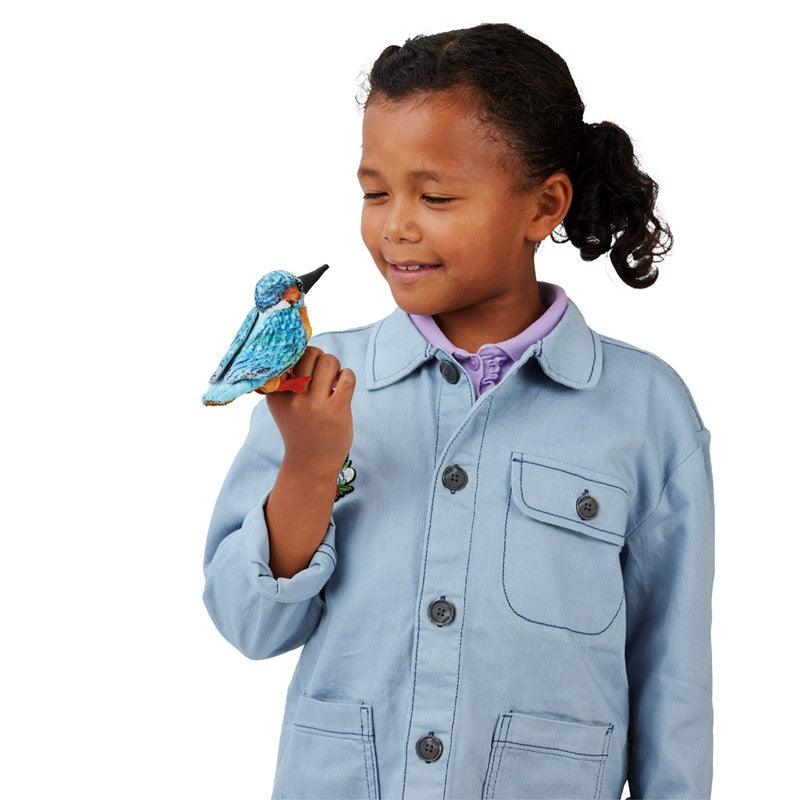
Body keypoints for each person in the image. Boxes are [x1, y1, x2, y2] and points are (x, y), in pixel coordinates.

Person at [202, 22, 714, 800]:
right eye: (375, 192)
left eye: (435, 196)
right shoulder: (314, 383)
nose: (395, 225)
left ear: (544, 206)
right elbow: (251, 625)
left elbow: (672, 677)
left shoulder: (645, 410)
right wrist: (309, 466)